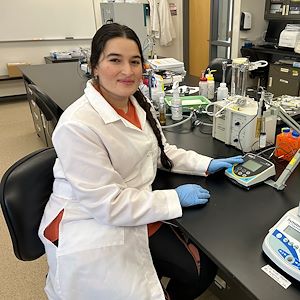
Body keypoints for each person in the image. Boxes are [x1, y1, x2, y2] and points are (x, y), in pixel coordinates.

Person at [38, 23, 243, 300]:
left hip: (132, 203)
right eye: (115, 60)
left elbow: (159, 150)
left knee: (200, 267)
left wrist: (205, 164)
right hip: (90, 218)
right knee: (185, 274)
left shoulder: (134, 100)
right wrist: (173, 199)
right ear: (94, 66)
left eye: (135, 61)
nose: (128, 70)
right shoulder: (78, 125)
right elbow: (107, 205)